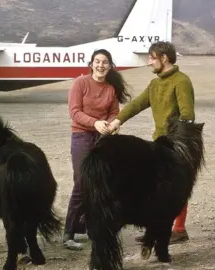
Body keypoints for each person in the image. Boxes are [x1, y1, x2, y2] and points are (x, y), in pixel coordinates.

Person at [108, 41, 195, 245]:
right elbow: (138, 103)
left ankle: (179, 230)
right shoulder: (156, 83)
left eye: (152, 58)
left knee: (177, 189)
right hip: (159, 144)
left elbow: (187, 115)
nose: (149, 62)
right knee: (156, 188)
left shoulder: (181, 81)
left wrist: (178, 145)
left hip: (176, 146)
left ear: (164, 58)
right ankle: (155, 229)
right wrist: (117, 121)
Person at [63, 49, 132, 250]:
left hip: (103, 137)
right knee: (82, 181)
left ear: (110, 66)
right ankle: (69, 232)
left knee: (102, 183)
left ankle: (93, 227)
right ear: (91, 64)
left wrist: (111, 124)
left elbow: (113, 112)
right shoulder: (80, 83)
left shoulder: (111, 88)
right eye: (97, 61)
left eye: (105, 62)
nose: (101, 65)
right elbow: (74, 112)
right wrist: (95, 123)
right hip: (82, 135)